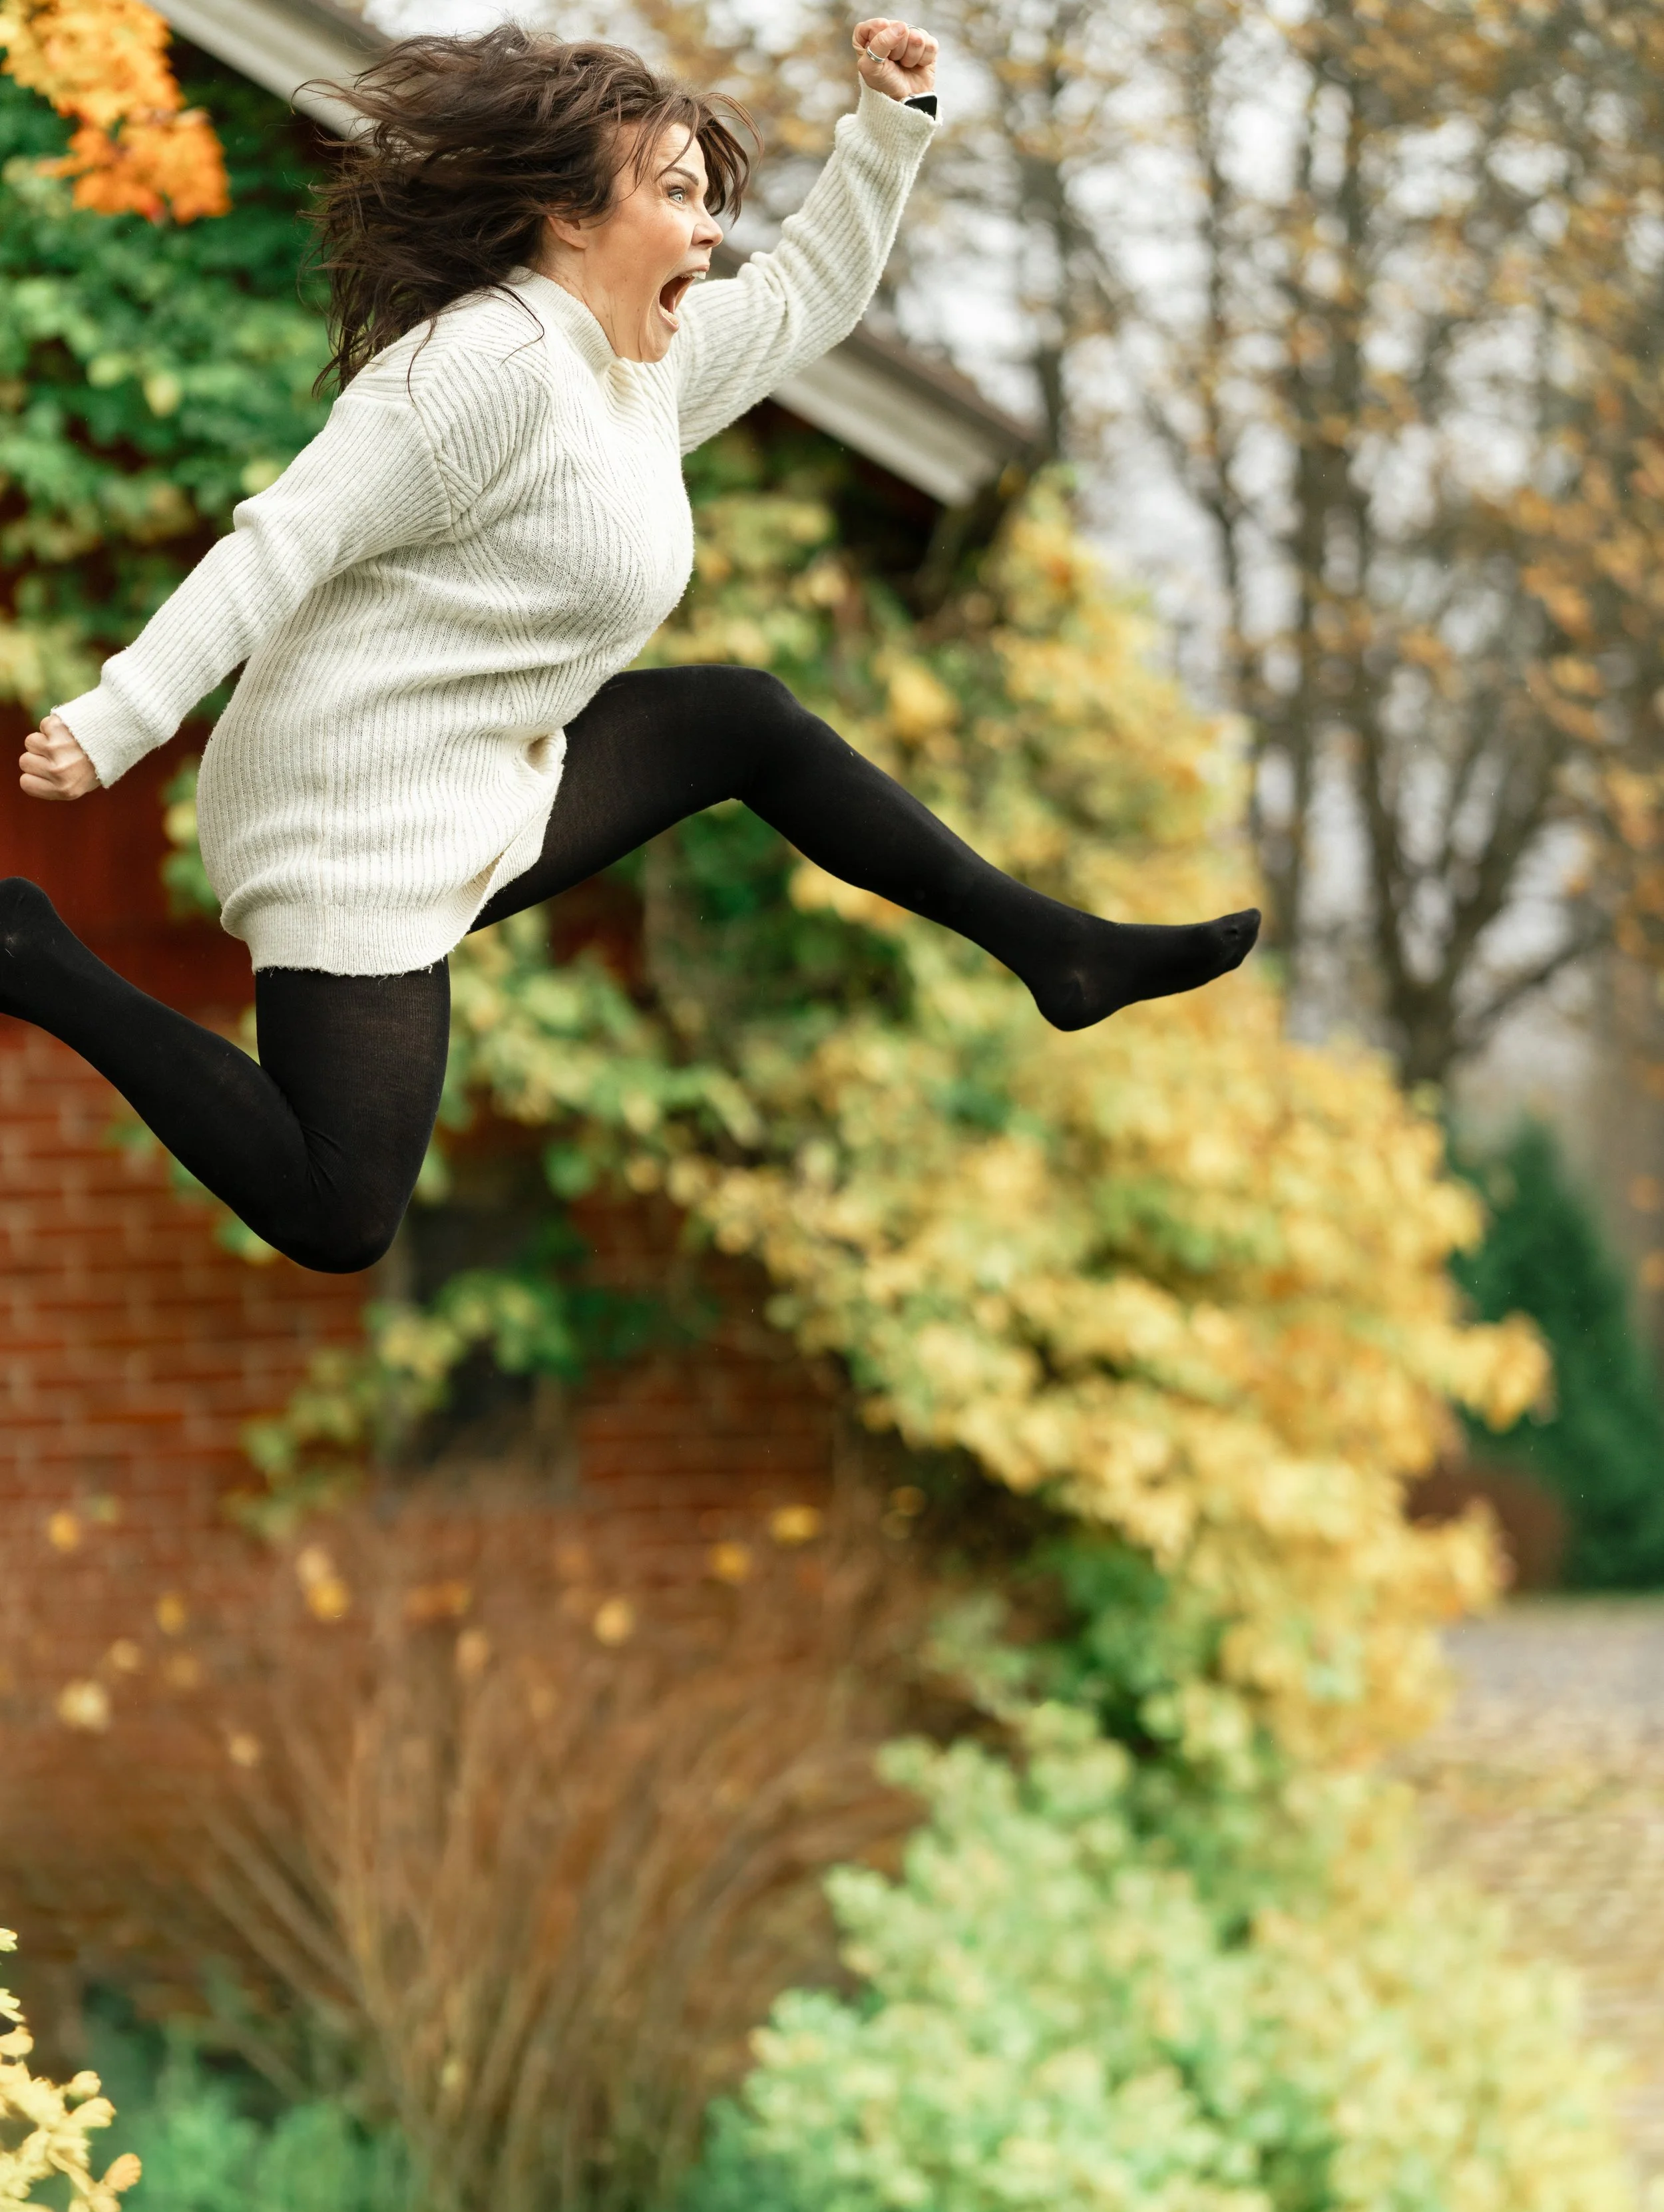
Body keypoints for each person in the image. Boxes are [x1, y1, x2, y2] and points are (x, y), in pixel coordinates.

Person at [8, 19, 1258, 1276]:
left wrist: (891, 125)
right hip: (351, 797)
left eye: (711, 199)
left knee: (741, 721)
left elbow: (803, 299)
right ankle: (32, 953)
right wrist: (121, 719)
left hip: (482, 772)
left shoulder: (634, 364)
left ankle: (1061, 950)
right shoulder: (478, 366)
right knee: (341, 1211)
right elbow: (287, 541)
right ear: (566, 212)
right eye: (676, 195)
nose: (710, 228)